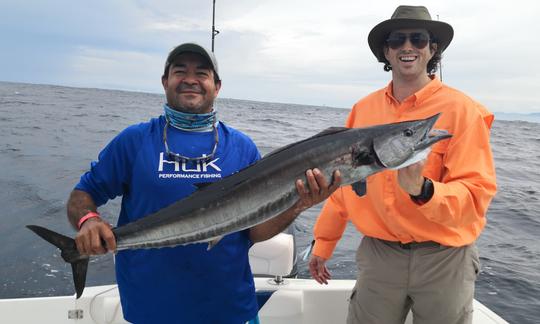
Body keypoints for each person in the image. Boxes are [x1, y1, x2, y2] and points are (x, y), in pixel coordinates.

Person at [67, 42, 340, 324]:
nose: (190, 79)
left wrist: (298, 203)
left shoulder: (242, 147)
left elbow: (254, 232)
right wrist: (88, 220)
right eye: (180, 71)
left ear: (217, 86)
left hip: (229, 308)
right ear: (165, 81)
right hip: (150, 308)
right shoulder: (134, 141)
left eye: (202, 73)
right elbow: (83, 194)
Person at [309, 5, 497, 324]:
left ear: (432, 49)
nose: (407, 47)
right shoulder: (363, 109)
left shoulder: (462, 110)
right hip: (379, 256)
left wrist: (424, 192)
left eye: (418, 39)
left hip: (445, 258)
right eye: (397, 40)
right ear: (386, 51)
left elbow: (476, 196)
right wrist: (324, 242)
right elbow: (345, 184)